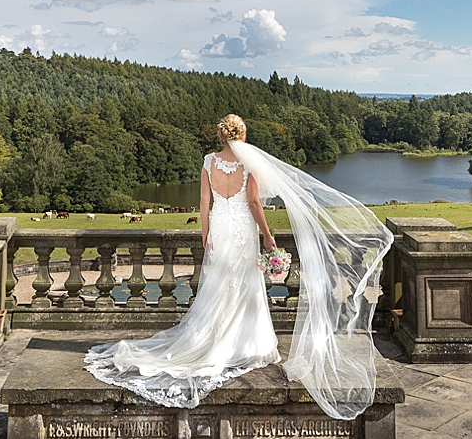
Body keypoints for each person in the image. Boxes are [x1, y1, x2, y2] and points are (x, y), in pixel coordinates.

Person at [83, 113, 393, 420]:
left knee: (220, 283)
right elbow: (255, 203)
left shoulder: (208, 162)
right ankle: (246, 345)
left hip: (219, 226)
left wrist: (205, 233)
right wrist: (269, 236)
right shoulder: (249, 164)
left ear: (222, 135)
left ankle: (217, 339)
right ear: (241, 135)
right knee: (245, 283)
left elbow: (204, 201)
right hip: (243, 228)